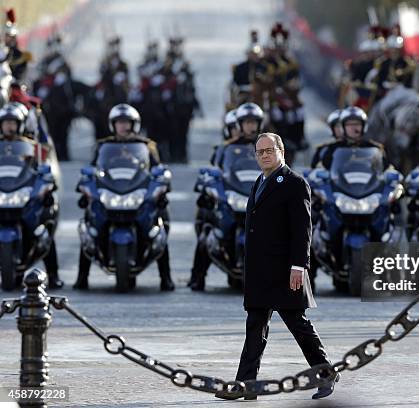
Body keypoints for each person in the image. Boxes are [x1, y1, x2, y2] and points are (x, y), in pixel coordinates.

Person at [215, 133, 338, 400]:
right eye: (259, 152)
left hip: (285, 271)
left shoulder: (294, 183)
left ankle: (327, 374)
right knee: (255, 328)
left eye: (269, 150)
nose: (264, 156)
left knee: (299, 325)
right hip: (261, 271)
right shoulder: (259, 182)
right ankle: (245, 384)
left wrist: (299, 265)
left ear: (281, 151)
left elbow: (302, 228)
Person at [73, 103, 174, 291]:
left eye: (127, 122)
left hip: (137, 192)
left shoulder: (147, 146)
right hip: (110, 191)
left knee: (160, 223)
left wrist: (161, 188)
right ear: (112, 125)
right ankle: (82, 277)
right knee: (89, 225)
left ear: (135, 124)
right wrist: (87, 186)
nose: (123, 126)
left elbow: (157, 170)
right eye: (119, 122)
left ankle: (165, 277)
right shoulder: (103, 145)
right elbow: (93, 169)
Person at [188, 103, 264, 290]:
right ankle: (197, 276)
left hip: (259, 198)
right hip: (233, 197)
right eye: (246, 122)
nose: (250, 127)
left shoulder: (267, 145)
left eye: (253, 122)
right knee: (207, 234)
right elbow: (215, 171)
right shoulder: (224, 149)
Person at [0, 104, 63, 289]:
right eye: (6, 123)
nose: (9, 127)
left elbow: (42, 169)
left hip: (24, 195)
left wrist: (46, 185)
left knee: (44, 228)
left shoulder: (32, 146)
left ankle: (53, 274)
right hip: (3, 193)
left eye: (13, 123)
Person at [320, 106, 388, 170]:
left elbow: (385, 170)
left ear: (364, 127)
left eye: (357, 124)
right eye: (349, 124)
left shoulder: (375, 149)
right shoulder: (332, 149)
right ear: (342, 127)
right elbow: (325, 169)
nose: (353, 128)